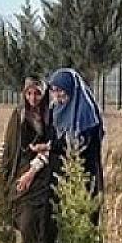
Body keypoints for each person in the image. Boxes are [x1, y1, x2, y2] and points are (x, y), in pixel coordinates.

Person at [2, 76, 62, 243]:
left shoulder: (50, 116)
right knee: (21, 216)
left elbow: (52, 146)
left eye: (37, 93)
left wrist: (32, 171)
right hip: (18, 173)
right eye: (29, 93)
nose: (33, 98)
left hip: (42, 174)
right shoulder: (18, 116)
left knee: (39, 217)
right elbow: (10, 148)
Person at [47, 68, 105, 210]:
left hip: (83, 178)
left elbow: (79, 147)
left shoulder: (87, 116)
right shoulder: (55, 110)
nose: (57, 95)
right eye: (54, 90)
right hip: (60, 178)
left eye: (61, 90)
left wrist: (50, 147)